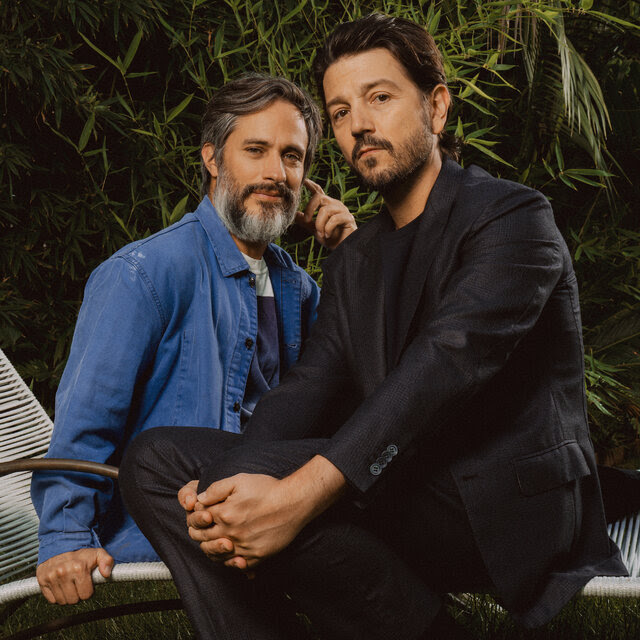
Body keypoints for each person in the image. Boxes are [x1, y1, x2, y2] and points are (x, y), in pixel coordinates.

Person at [120, 13, 628, 639]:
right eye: (337, 112)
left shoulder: (513, 218)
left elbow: (441, 368)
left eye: (379, 98)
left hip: (505, 506)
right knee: (158, 462)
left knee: (263, 497)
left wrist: (297, 497)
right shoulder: (358, 258)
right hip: (401, 484)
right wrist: (242, 488)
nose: (357, 123)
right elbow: (308, 388)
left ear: (436, 108)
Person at [30, 74, 357, 606]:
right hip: (165, 528)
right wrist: (64, 540)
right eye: (255, 150)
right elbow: (86, 424)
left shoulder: (300, 289)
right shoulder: (144, 275)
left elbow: (361, 395)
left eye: (292, 157)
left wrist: (350, 252)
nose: (276, 173)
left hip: (267, 522)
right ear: (212, 158)